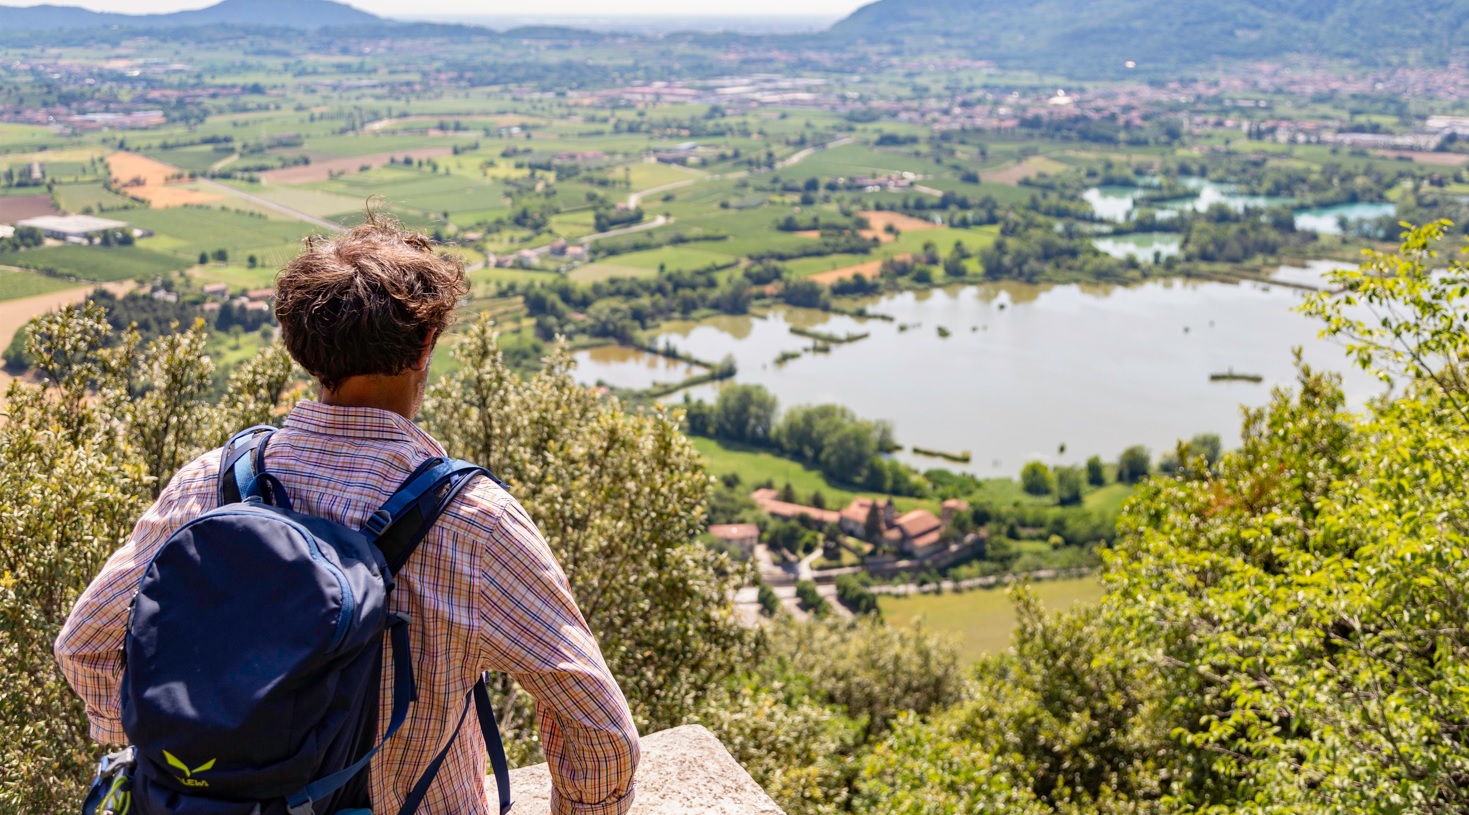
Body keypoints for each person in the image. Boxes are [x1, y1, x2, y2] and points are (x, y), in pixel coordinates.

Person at [55, 214, 640, 815]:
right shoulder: (474, 523)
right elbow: (599, 732)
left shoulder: (212, 483)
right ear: (426, 344)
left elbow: (84, 646)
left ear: (303, 348)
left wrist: (184, 763)